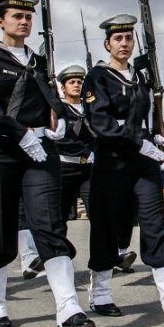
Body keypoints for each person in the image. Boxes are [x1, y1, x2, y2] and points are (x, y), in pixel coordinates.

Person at [0, 0, 94, 327]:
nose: (24, 22)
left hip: (40, 151)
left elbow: (52, 100)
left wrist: (59, 119)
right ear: (1, 20)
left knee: (49, 223)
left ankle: (69, 308)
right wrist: (20, 133)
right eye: (16, 16)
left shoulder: (38, 62)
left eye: (28, 17)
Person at [82, 14, 164, 324]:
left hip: (143, 163)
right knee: (107, 225)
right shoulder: (98, 77)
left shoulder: (140, 77)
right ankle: (101, 293)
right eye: (118, 39)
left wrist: (156, 133)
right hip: (112, 159)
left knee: (154, 222)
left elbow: (146, 116)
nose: (124, 43)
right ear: (107, 43)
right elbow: (100, 121)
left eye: (129, 38)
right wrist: (138, 142)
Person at [55, 65, 94, 224]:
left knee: (97, 212)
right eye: (72, 82)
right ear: (63, 88)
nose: (77, 85)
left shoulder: (91, 108)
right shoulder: (59, 109)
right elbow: (60, 140)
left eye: (80, 82)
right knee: (60, 215)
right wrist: (85, 150)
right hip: (65, 167)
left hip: (89, 168)